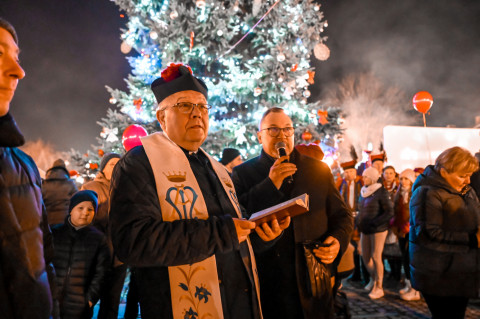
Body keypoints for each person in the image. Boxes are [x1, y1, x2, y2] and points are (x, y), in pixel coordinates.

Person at [109, 63, 288, 319]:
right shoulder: (140, 163)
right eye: (184, 105)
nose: (197, 114)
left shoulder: (217, 169)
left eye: (202, 106)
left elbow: (235, 233)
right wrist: (222, 232)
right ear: (161, 118)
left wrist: (262, 236)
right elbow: (133, 242)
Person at [232, 107, 353, 319]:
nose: (282, 136)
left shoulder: (318, 170)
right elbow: (239, 216)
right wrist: (271, 184)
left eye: (287, 130)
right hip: (271, 283)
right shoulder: (243, 173)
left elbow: (342, 216)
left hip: (314, 278)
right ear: (260, 136)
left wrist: (337, 240)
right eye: (273, 130)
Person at [0, 18, 56, 318]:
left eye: (16, 57)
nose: (18, 71)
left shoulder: (24, 166)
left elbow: (44, 265)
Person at [409, 147, 480, 319]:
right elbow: (428, 234)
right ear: (444, 171)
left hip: (462, 270)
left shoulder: (467, 191)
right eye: (462, 176)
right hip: (438, 273)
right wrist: (472, 239)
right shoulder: (427, 193)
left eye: (469, 175)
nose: (468, 181)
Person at [52, 190, 110, 319]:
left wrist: (90, 299)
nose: (85, 213)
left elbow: (102, 272)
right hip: (51, 300)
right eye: (80, 208)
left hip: (79, 306)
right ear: (71, 209)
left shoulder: (98, 239)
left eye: (90, 209)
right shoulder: (55, 233)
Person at [81, 152, 124, 319]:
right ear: (103, 168)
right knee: (88, 303)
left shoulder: (125, 189)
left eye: (119, 165)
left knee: (111, 305)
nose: (116, 168)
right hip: (97, 255)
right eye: (112, 164)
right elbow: (83, 218)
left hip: (119, 257)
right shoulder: (91, 187)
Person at [356, 167, 394, 299]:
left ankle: (379, 286)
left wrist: (376, 222)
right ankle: (374, 278)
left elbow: (389, 211)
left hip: (378, 229)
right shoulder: (363, 191)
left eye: (366, 176)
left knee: (376, 256)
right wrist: (358, 222)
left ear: (372, 178)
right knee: (365, 256)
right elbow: (360, 209)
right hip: (365, 228)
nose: (363, 178)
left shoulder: (381, 191)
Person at [390, 169, 420, 301]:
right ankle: (409, 284)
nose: (403, 181)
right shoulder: (399, 193)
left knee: (411, 257)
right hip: (401, 229)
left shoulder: (415, 193)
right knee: (405, 257)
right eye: (401, 178)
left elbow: (417, 211)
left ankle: (415, 290)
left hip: (411, 229)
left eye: (406, 179)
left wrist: (410, 223)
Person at [337, 160, 367, 283]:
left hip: (360, 219)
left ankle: (366, 274)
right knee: (351, 246)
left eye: (351, 171)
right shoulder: (340, 184)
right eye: (346, 172)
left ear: (355, 172)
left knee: (362, 247)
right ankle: (355, 272)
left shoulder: (361, 183)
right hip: (347, 219)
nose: (348, 174)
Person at [42, 158, 78, 226]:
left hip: (48, 220)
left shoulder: (44, 184)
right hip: (65, 219)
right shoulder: (70, 183)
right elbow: (77, 199)